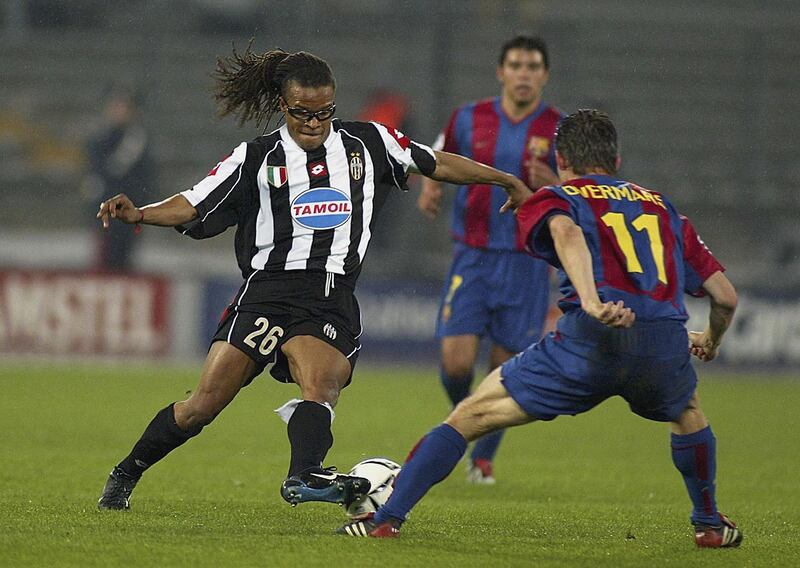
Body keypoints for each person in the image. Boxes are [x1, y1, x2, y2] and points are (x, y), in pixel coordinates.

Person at [95, 46, 533, 512]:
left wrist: (504, 179)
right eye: (302, 113)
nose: (314, 122)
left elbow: (435, 162)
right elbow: (193, 202)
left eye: (324, 112)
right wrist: (141, 212)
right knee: (203, 404)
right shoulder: (257, 157)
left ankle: (302, 476)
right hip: (265, 292)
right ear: (283, 106)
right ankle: (127, 472)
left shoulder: (371, 142)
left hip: (327, 296)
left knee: (321, 383)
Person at [337, 109, 743, 549]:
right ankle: (708, 524)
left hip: (590, 339)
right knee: (688, 413)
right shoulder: (664, 208)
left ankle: (387, 519)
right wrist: (710, 340)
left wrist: (590, 301)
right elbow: (725, 297)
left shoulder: (560, 197)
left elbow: (567, 235)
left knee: (469, 416)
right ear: (617, 157)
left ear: (562, 157)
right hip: (663, 342)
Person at [416, 36, 562, 483]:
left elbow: (584, 191)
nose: (524, 73)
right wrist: (431, 185)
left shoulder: (559, 128)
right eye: (516, 65)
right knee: (456, 362)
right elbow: (437, 155)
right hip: (474, 256)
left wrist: (553, 182)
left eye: (533, 66)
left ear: (544, 75)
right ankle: (464, 416)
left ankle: (483, 456)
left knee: (504, 367)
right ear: (501, 71)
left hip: (527, 262)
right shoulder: (468, 118)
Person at [81, 85, 155, 272]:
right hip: (105, 212)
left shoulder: (138, 140)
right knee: (104, 258)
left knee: (124, 259)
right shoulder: (100, 138)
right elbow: (96, 173)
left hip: (129, 211)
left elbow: (145, 177)